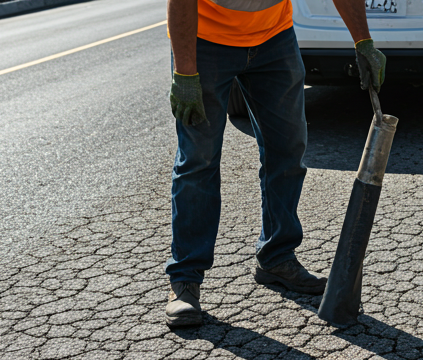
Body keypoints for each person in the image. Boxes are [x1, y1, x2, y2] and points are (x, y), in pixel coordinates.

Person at [165, 0, 386, 327]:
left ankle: (277, 257)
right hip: (205, 40)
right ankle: (185, 280)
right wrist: (185, 72)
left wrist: (363, 41)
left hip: (273, 38)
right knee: (199, 160)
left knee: (287, 149)